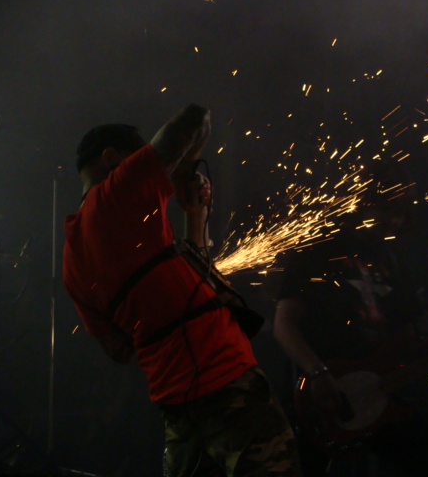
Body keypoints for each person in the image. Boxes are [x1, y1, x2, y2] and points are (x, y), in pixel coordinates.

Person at [63, 104, 301, 477]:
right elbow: (194, 117)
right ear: (111, 159)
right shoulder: (116, 193)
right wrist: (184, 169)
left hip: (177, 405)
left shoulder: (71, 260)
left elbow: (118, 349)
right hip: (227, 381)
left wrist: (195, 216)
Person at [273, 163, 428, 476]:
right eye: (386, 209)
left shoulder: (394, 259)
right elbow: (284, 324)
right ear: (360, 202)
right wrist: (318, 372)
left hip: (376, 395)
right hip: (317, 399)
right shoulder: (318, 250)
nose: (394, 220)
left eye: (400, 212)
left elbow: (407, 338)